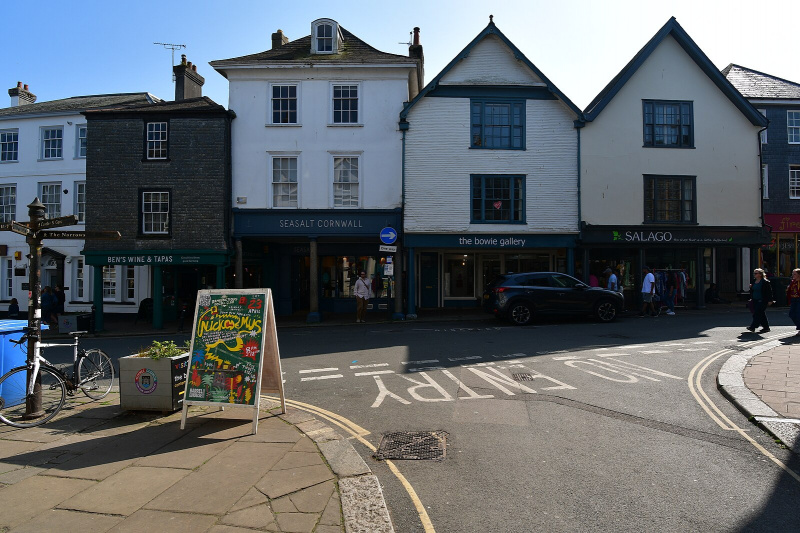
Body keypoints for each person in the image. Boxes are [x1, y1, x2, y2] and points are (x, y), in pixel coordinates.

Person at [747, 268, 774, 333]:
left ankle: (753, 327)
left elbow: (769, 292)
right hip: (755, 299)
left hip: (762, 300)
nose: (754, 274)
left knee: (757, 313)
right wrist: (750, 288)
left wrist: (770, 300)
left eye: (756, 273)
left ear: (760, 274)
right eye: (754, 273)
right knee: (761, 314)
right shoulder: (754, 281)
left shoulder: (765, 282)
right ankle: (766, 327)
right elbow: (752, 290)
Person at [787, 268, 800, 334]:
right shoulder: (793, 281)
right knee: (791, 314)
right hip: (793, 299)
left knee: (798, 314)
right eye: (793, 273)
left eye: (794, 274)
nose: (793, 275)